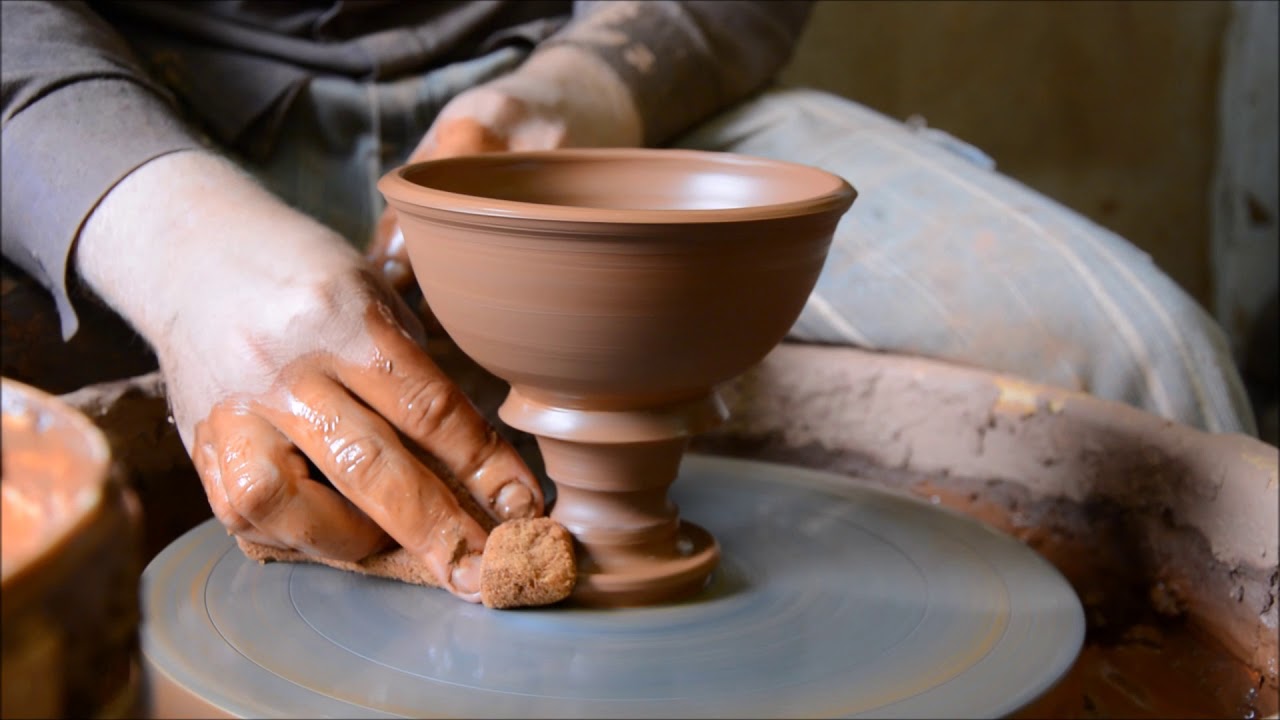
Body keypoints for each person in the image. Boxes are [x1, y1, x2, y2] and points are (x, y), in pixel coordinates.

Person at [2, 1, 1256, 602]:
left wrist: (564, 108)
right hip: (114, 125)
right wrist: (172, 245)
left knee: (1132, 366)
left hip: (572, 80)